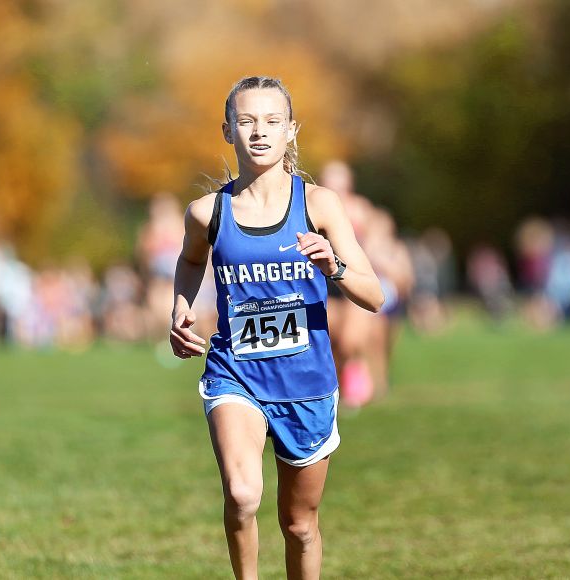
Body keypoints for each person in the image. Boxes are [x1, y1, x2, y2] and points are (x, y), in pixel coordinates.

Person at [170, 76, 383, 579]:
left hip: (306, 381)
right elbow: (188, 259)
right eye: (246, 122)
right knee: (243, 496)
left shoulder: (319, 205)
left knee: (299, 524)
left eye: (271, 121)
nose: (259, 132)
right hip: (235, 372)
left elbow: (374, 295)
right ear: (228, 131)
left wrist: (334, 266)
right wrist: (178, 311)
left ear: (291, 130)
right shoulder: (208, 213)